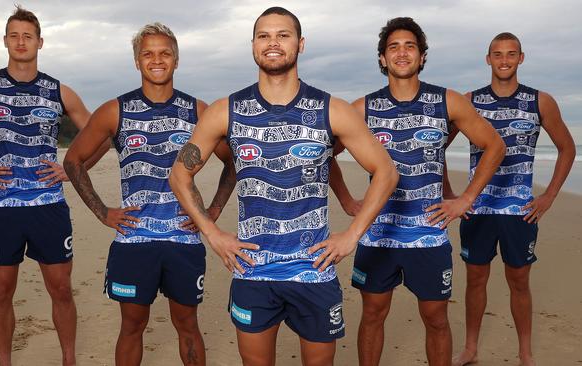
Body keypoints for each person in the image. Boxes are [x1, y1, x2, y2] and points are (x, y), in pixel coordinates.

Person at [169, 7, 399, 366]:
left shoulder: (331, 110)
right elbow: (179, 176)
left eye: (283, 35)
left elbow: (386, 171)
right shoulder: (225, 111)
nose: (272, 42)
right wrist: (212, 233)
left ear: (300, 44)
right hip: (252, 269)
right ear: (253, 46)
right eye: (263, 36)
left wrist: (352, 234)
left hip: (314, 269)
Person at [0, 6, 102, 366]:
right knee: (0, 291)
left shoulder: (58, 91)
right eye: (14, 35)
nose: (21, 41)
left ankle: (68, 360)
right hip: (0, 209)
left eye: (28, 35)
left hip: (48, 208)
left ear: (40, 42)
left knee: (60, 290)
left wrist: (71, 171)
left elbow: (99, 137)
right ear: (5, 41)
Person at [331, 17, 505, 366]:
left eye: (410, 46)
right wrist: (348, 200)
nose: (401, 52)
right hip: (378, 235)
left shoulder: (448, 102)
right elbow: (324, 154)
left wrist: (465, 199)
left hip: (428, 236)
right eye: (393, 47)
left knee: (436, 318)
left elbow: (494, 146)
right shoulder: (362, 109)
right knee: (373, 315)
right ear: (382, 58)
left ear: (422, 56)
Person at [63, 23, 236, 366]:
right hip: (133, 242)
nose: (157, 60)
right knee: (132, 326)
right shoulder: (117, 110)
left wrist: (212, 210)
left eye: (164, 53)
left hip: (183, 241)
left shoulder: (197, 111)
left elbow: (234, 163)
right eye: (148, 54)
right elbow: (73, 161)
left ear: (176, 59)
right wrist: (103, 212)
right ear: (136, 61)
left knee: (187, 325)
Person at [449, 32, 576, 366]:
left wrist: (549, 195)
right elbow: (436, 148)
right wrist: (451, 194)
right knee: (475, 279)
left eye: (510, 54)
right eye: (497, 54)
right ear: (488, 59)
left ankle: (525, 355)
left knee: (519, 280)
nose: (504, 60)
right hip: (478, 209)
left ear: (521, 58)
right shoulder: (469, 101)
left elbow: (567, 147)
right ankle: (471, 349)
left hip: (519, 210)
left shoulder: (540, 101)